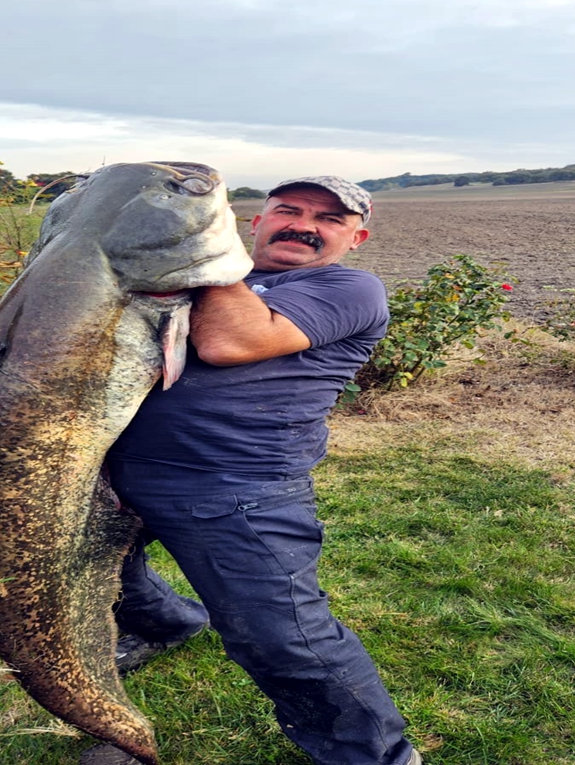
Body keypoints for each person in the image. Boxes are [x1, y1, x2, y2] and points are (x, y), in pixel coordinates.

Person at [101, 176, 421, 765]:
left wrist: (201, 247)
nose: (304, 224)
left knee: (283, 639)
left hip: (232, 484)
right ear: (256, 221)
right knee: (100, 568)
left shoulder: (350, 288)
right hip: (113, 464)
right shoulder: (210, 279)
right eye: (289, 210)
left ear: (357, 237)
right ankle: (165, 623)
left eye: (328, 219)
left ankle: (374, 757)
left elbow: (230, 340)